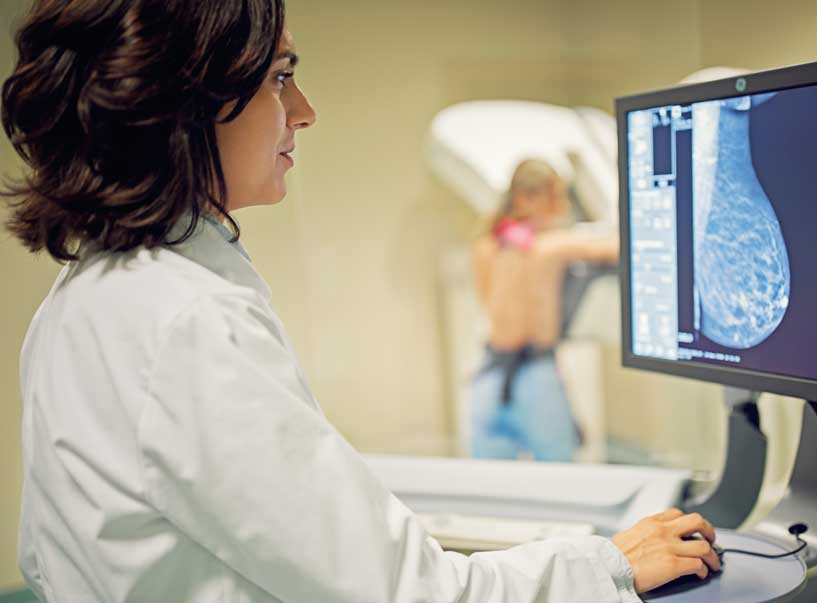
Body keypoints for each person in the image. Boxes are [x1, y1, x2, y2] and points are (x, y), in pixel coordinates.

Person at [2, 1, 720, 601]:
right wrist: (607, 565)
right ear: (185, 100)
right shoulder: (185, 321)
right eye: (281, 78)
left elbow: (46, 554)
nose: (305, 111)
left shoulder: (80, 301)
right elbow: (411, 592)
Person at [466, 159, 616, 461]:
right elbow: (616, 249)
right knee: (558, 469)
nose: (561, 206)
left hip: (489, 375)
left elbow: (488, 304)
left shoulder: (486, 247)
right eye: (556, 196)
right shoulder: (550, 247)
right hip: (531, 376)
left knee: (490, 480)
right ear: (525, 199)